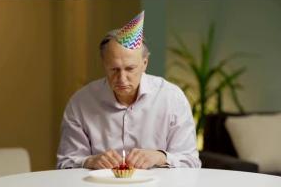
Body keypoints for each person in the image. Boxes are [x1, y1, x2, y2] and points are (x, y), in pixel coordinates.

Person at [57, 11, 201, 169]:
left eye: (130, 68)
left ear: (145, 63)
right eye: (114, 69)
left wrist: (160, 156)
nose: (122, 79)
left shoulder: (172, 98)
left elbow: (191, 163)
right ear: (104, 64)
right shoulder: (80, 103)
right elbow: (64, 164)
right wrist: (89, 161)